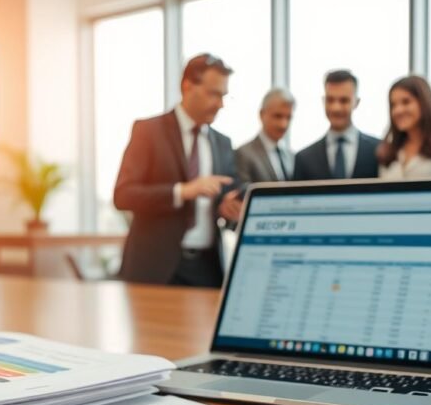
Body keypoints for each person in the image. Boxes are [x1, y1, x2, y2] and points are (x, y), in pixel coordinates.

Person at [114, 54, 241, 287]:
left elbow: (226, 198)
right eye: (214, 94)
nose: (220, 104)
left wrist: (229, 206)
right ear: (188, 86)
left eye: (223, 96)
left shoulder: (223, 143)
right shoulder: (148, 131)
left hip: (208, 269)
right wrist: (182, 191)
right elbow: (123, 195)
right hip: (155, 269)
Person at [293, 70, 380, 181]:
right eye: (330, 100)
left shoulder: (378, 150)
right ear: (323, 101)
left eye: (344, 101)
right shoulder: (303, 159)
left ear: (356, 102)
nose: (336, 108)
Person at [235, 88, 296, 183]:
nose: (283, 124)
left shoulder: (291, 155)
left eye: (288, 118)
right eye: (277, 116)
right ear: (261, 114)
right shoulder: (244, 154)